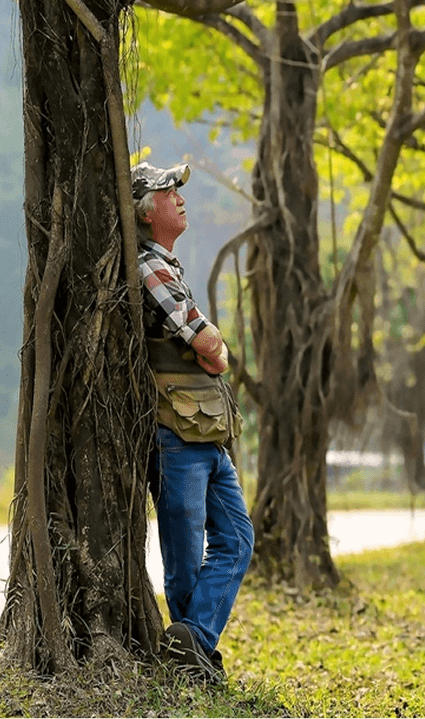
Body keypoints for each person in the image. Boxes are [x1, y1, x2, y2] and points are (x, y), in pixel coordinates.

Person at [133, 160, 253, 684]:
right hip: (175, 437)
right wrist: (212, 347)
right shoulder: (149, 266)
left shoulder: (170, 267)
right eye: (168, 191)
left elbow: (210, 352)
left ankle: (194, 643)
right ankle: (192, 662)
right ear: (145, 210)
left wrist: (211, 349)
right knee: (182, 560)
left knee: (237, 539)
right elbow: (210, 348)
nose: (180, 197)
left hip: (205, 434)